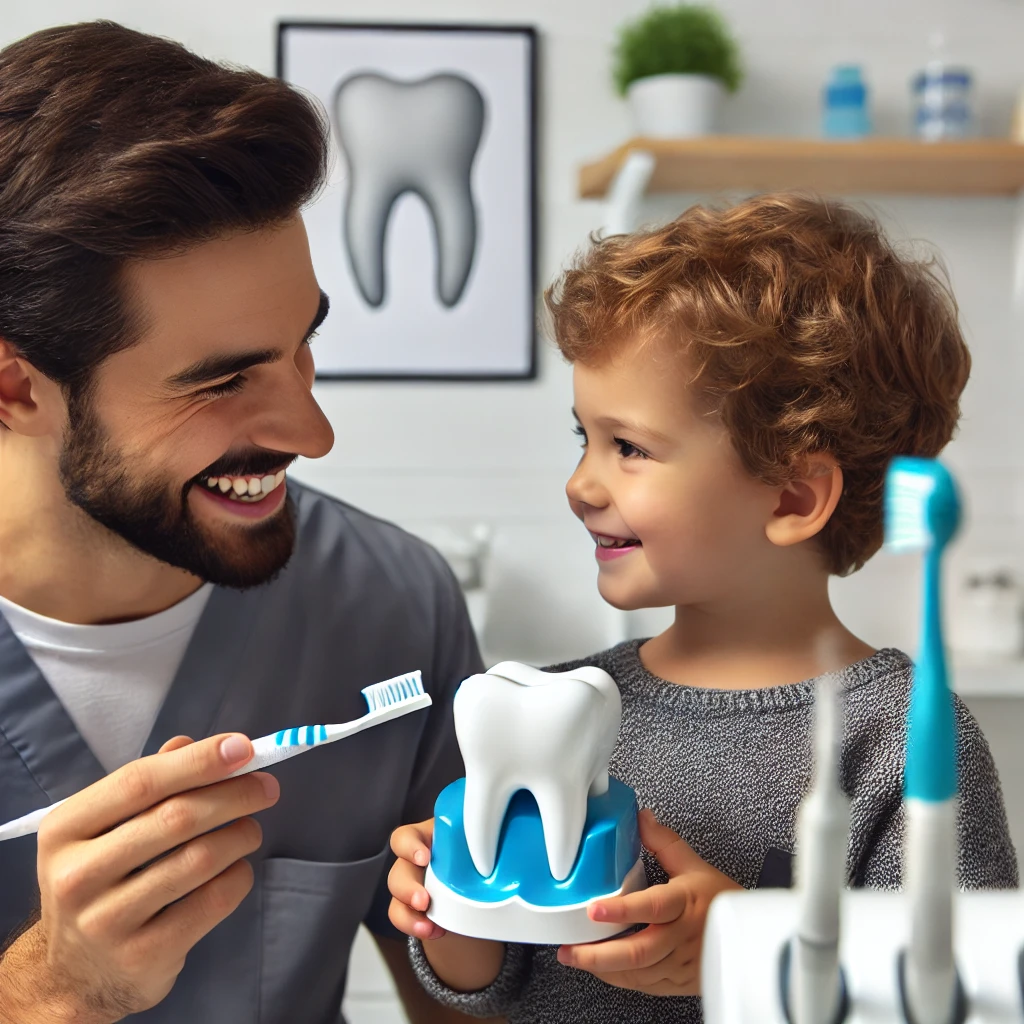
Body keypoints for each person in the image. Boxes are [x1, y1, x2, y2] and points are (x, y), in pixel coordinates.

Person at [387, 194, 1020, 1021]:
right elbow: (487, 983)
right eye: (584, 438)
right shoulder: (555, 709)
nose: (581, 485)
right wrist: (450, 913)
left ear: (793, 496)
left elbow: (967, 991)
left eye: (630, 448)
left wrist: (746, 946)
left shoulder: (903, 740)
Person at [0, 20, 484, 1024]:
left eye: (300, 348)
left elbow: (465, 1000)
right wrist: (50, 988)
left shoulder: (393, 604)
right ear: (14, 385)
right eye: (222, 381)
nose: (312, 432)